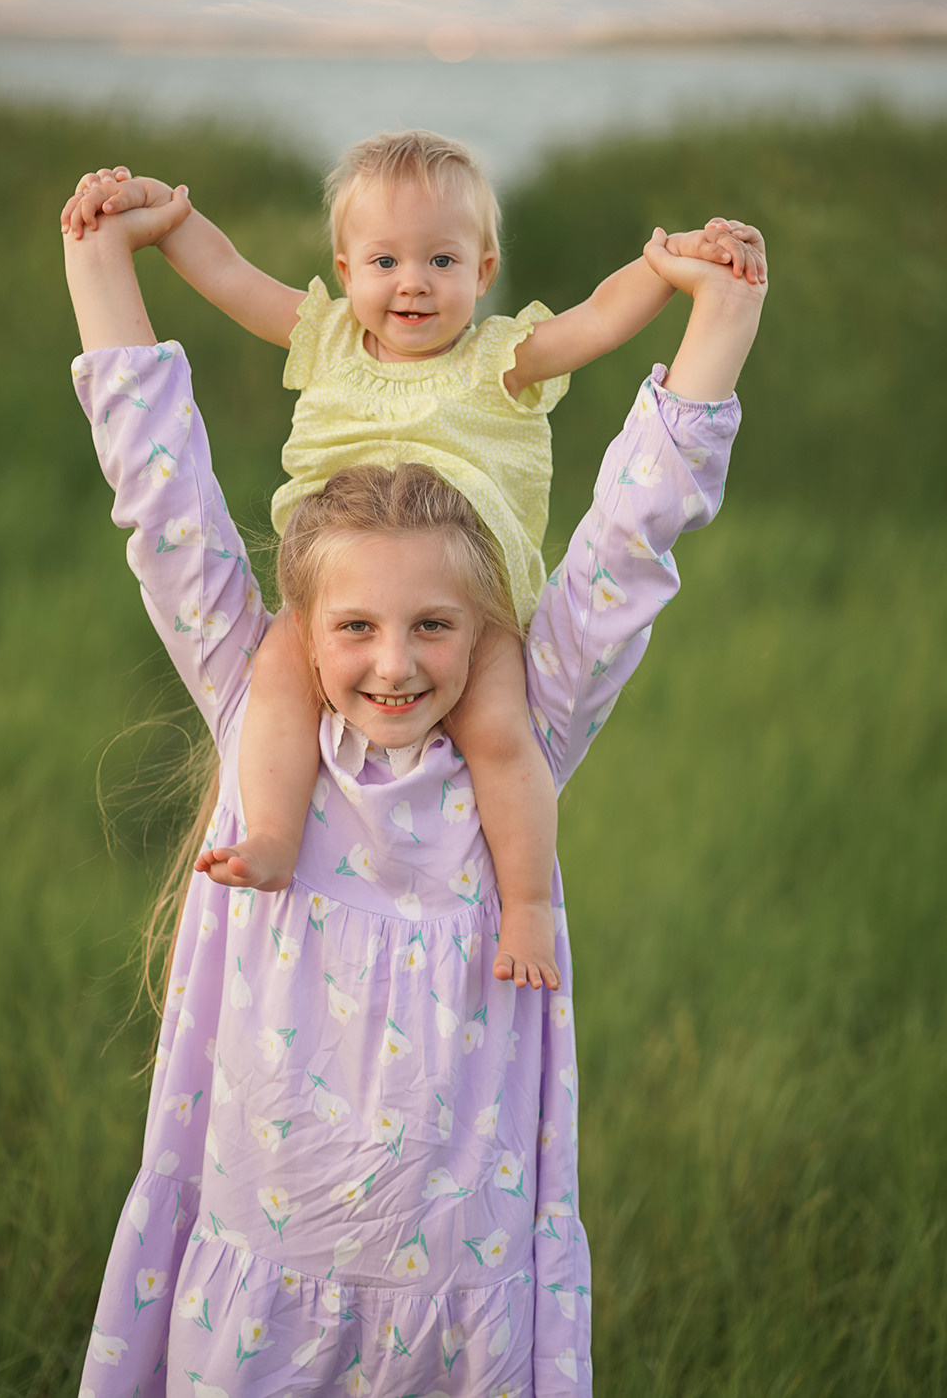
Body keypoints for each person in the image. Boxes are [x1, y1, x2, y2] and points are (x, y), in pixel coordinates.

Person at [62, 176, 766, 1394]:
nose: (395, 666)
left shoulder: (523, 730)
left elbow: (634, 532)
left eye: (437, 625)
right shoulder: (258, 698)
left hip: (457, 1277)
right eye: (356, 629)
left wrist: (720, 314)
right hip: (265, 1252)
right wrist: (103, 258)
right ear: (304, 621)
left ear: (487, 626)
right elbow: (158, 485)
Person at [63, 133, 764, 995]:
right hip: (326, 586)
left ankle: (528, 904)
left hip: (475, 603)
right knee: (278, 683)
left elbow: (597, 316)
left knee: (507, 740)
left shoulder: (500, 358)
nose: (413, 282)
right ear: (346, 267)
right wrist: (167, 221)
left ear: (484, 268)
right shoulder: (323, 339)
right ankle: (274, 835)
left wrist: (669, 266)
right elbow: (233, 274)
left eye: (442, 259)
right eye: (386, 260)